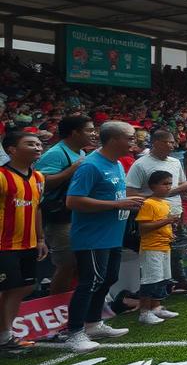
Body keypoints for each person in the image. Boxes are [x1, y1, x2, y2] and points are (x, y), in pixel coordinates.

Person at [62, 121, 145, 352]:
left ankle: (93, 324)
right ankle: (75, 333)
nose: (134, 142)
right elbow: (73, 201)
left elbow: (116, 197)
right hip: (92, 237)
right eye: (129, 138)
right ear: (112, 140)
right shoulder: (91, 166)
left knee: (107, 279)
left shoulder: (116, 164)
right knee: (90, 282)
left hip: (112, 235)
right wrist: (117, 204)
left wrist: (128, 205)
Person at [126, 129, 187, 294]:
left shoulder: (175, 162)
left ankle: (172, 286)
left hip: (175, 213)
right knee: (153, 258)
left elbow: (181, 186)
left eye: (173, 142)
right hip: (152, 216)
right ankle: (148, 295)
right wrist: (175, 190)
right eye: (169, 142)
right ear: (156, 143)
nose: (172, 145)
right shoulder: (141, 164)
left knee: (174, 253)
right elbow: (130, 194)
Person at [34, 114, 94, 294]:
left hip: (77, 215)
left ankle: (72, 302)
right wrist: (72, 169)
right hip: (60, 218)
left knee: (78, 263)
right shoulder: (56, 153)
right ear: (75, 132)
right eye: (89, 130)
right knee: (67, 264)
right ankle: (56, 306)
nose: (93, 134)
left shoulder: (81, 152)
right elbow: (41, 183)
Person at [0, 131, 48, 350]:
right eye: (30, 144)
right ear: (11, 149)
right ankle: (5, 335)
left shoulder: (38, 177)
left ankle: (5, 335)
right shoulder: (1, 176)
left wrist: (40, 238)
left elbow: (37, 209)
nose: (38, 147)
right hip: (4, 245)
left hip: (28, 244)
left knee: (23, 287)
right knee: (6, 289)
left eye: (39, 144)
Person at [134, 171, 181, 321]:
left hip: (164, 245)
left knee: (161, 279)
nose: (168, 187)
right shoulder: (148, 203)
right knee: (150, 280)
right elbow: (143, 228)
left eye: (169, 184)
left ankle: (156, 307)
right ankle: (144, 312)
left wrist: (170, 233)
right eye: (164, 184)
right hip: (151, 247)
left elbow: (161, 225)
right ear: (153, 186)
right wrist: (167, 221)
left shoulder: (165, 204)